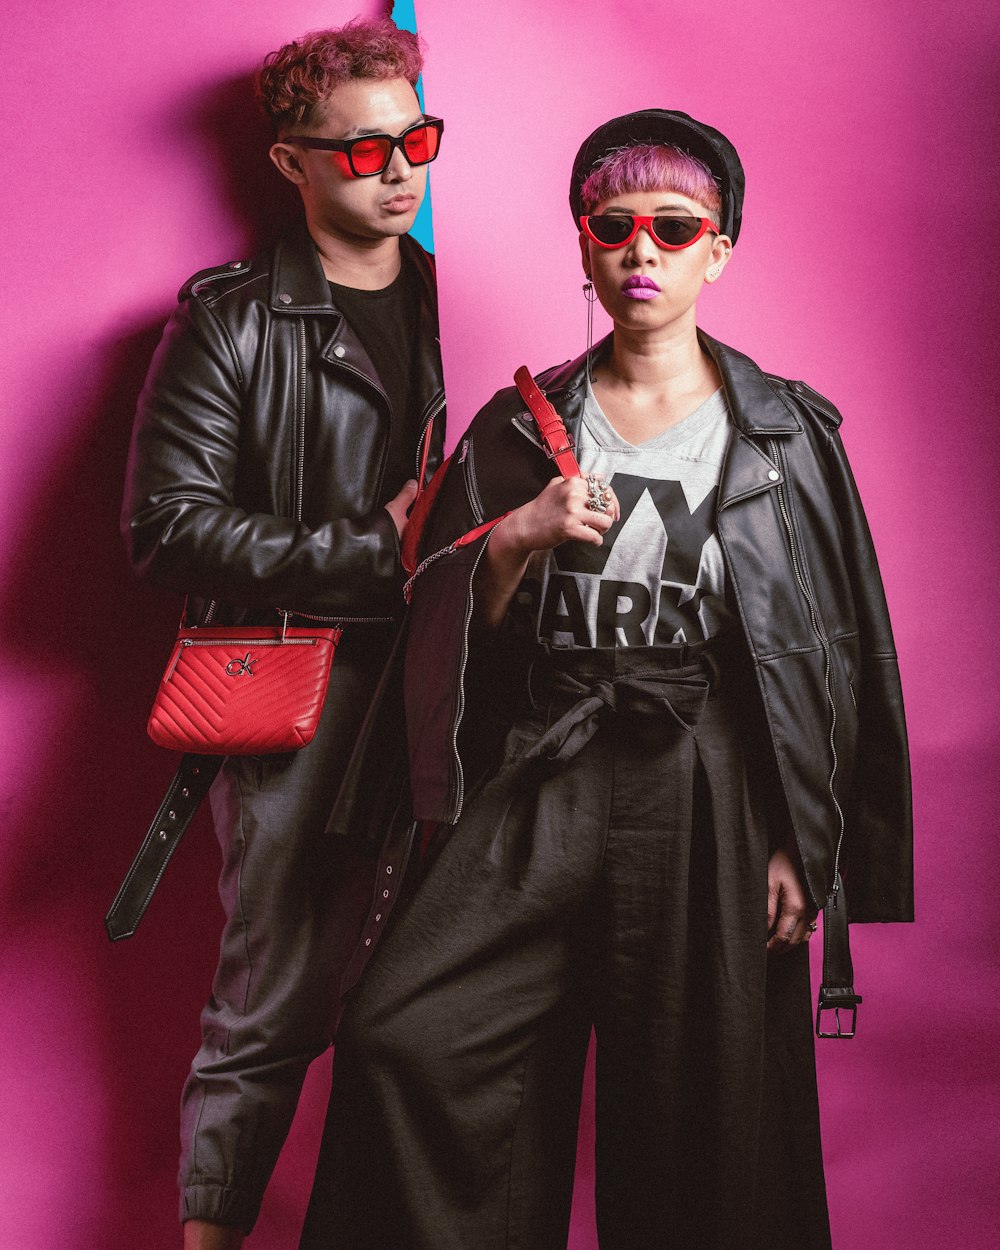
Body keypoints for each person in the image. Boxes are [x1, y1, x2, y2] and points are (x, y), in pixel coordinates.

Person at [300, 109, 913, 1250]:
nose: (641, 251)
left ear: (717, 249)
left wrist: (803, 841)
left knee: (710, 1103)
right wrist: (515, 537)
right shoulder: (518, 426)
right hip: (546, 766)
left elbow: (832, 650)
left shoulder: (785, 436)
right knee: (402, 1034)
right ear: (582, 244)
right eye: (615, 226)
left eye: (673, 229)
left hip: (711, 783)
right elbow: (439, 631)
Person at [120, 17, 446, 1248]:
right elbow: (163, 529)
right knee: (269, 1013)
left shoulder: (435, 294)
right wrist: (375, 554)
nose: (400, 168)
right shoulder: (230, 322)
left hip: (432, 696)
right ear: (289, 164)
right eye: (363, 150)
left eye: (415, 137)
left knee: (417, 1001)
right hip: (292, 698)